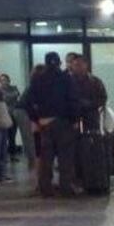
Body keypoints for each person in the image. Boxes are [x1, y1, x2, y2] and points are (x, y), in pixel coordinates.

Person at [26, 51, 77, 197]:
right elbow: (73, 100)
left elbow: (28, 102)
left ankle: (45, 188)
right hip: (63, 122)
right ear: (60, 62)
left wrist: (36, 119)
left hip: (44, 124)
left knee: (46, 158)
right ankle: (65, 187)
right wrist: (74, 120)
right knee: (65, 157)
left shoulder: (38, 79)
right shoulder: (66, 78)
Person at [69, 53, 109, 192]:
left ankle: (94, 181)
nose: (77, 67)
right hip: (72, 121)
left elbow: (102, 98)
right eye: (74, 65)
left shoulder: (95, 81)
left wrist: (88, 105)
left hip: (91, 120)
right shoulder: (68, 81)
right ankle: (77, 180)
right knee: (74, 152)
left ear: (86, 65)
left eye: (79, 64)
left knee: (93, 151)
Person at [15, 64, 43, 171]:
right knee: (30, 138)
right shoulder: (36, 84)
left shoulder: (33, 84)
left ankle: (33, 162)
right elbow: (31, 103)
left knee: (29, 137)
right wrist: (34, 119)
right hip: (23, 111)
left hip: (22, 110)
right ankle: (33, 163)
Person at [0, 74, 23, 161]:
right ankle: (3, 155)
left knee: (12, 136)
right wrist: (13, 95)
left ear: (8, 80)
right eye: (2, 80)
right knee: (4, 136)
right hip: (4, 115)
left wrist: (12, 95)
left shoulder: (14, 87)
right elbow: (6, 98)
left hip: (13, 115)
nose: (3, 82)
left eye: (5, 80)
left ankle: (13, 155)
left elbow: (17, 94)